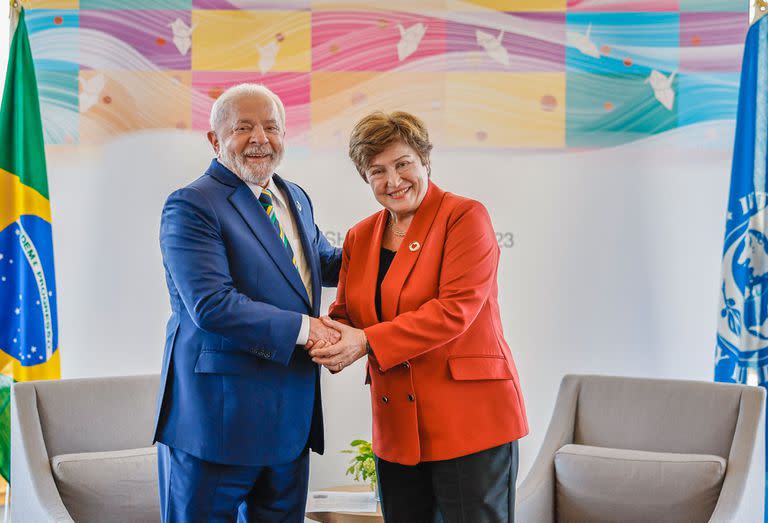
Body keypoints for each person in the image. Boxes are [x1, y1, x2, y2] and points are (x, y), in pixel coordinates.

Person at [310, 111, 528, 522]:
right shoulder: (360, 235)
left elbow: (454, 310)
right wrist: (316, 335)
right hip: (397, 428)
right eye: (377, 170)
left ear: (424, 160)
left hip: (469, 421)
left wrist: (366, 341)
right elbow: (346, 314)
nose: (393, 181)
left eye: (402, 163)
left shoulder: (464, 217)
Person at [154, 83, 342, 522]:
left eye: (271, 127)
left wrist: (395, 238)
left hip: (289, 425)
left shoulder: (294, 196)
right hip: (216, 427)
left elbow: (320, 263)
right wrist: (308, 328)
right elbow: (212, 304)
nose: (260, 138)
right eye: (244, 128)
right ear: (215, 140)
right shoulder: (192, 204)